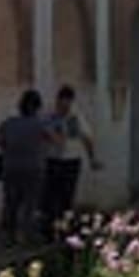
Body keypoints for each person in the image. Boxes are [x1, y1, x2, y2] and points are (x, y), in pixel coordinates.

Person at [0, 88, 51, 243]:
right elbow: (54, 140)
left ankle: (8, 235)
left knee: (10, 203)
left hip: (11, 168)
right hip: (33, 169)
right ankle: (28, 235)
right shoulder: (40, 125)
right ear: (37, 107)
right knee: (30, 203)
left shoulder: (8, 123)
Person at [42, 83, 101, 232]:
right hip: (53, 160)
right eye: (62, 103)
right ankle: (50, 228)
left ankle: (65, 227)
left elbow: (87, 138)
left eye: (68, 103)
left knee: (67, 196)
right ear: (57, 100)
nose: (65, 106)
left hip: (71, 160)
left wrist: (92, 158)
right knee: (50, 196)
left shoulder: (76, 117)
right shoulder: (49, 116)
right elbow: (42, 135)